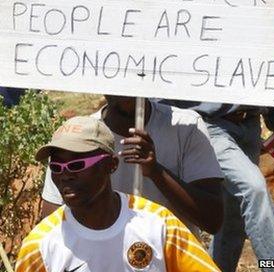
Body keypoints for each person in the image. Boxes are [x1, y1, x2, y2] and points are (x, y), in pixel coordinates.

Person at [16, 116, 221, 272]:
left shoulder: (159, 225)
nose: (65, 175)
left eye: (77, 164)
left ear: (111, 165)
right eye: (57, 167)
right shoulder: (40, 245)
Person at [41, 96, 224, 235]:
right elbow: (50, 228)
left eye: (77, 165)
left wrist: (156, 172)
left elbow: (212, 221)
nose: (65, 173)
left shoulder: (186, 126)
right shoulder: (78, 138)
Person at [160, 100, 274, 272]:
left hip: (250, 125)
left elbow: (268, 76)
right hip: (209, 125)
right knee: (254, 189)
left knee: (233, 216)